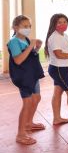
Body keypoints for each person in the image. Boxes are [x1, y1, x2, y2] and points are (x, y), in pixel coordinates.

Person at [7, 15, 45, 145]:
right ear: (15, 27)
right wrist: (30, 47)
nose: (28, 28)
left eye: (29, 26)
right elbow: (18, 60)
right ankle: (20, 134)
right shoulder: (14, 42)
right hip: (23, 77)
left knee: (36, 98)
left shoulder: (27, 40)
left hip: (32, 74)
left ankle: (29, 123)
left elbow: (30, 56)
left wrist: (37, 48)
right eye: (25, 26)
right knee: (27, 103)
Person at [44, 13, 68, 130]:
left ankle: (57, 118)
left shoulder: (64, 35)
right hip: (58, 69)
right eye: (59, 22)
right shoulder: (54, 37)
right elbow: (59, 54)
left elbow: (63, 50)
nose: (63, 24)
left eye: (65, 22)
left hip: (62, 68)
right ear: (54, 24)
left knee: (57, 92)